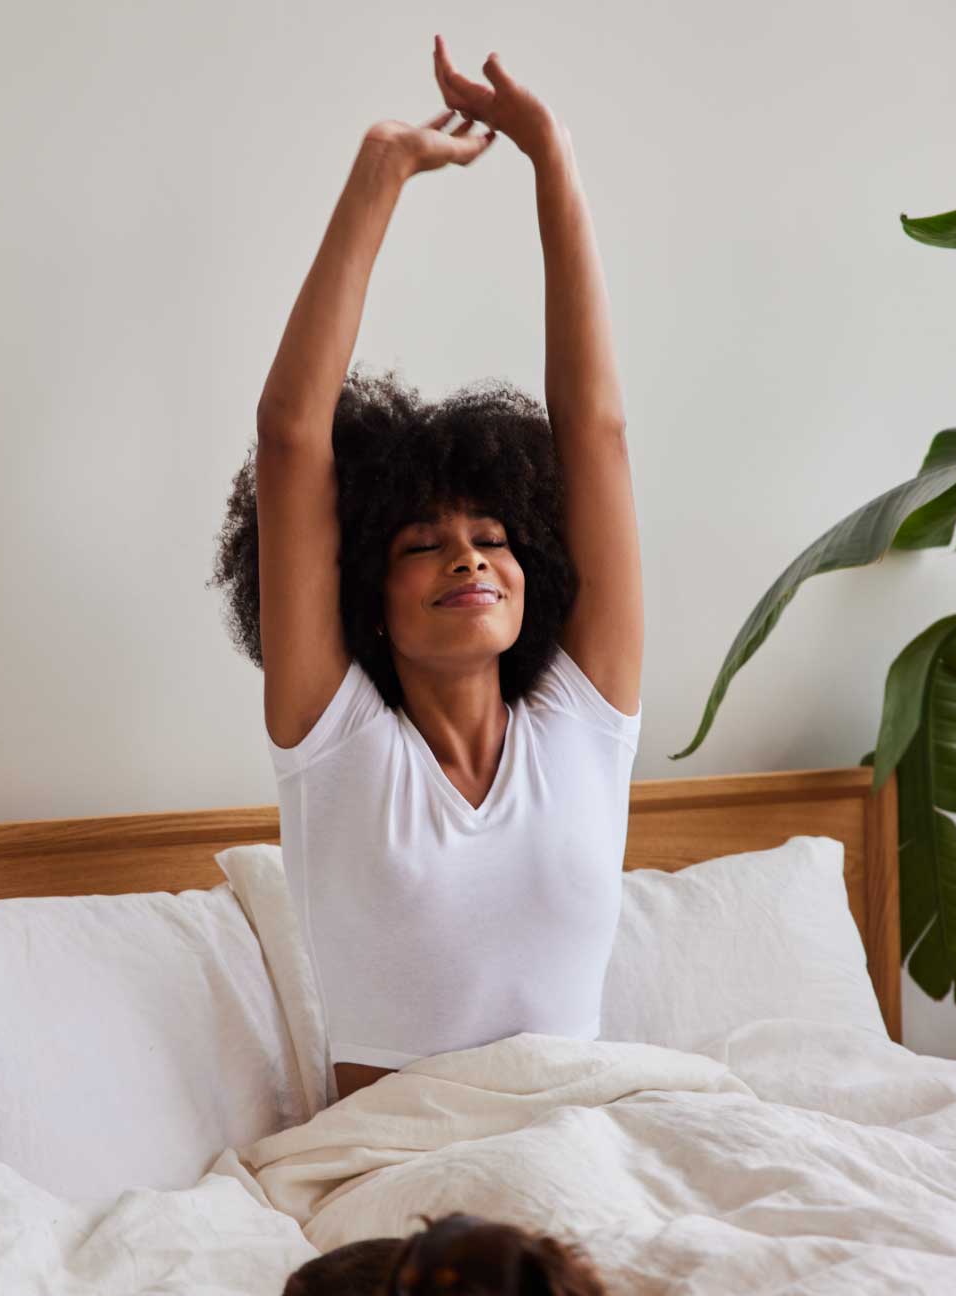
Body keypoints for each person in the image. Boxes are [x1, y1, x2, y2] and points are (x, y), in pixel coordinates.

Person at [208, 39, 644, 1104]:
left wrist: (552, 161)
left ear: (530, 563)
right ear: (366, 593)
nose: (466, 556)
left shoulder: (584, 724)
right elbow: (289, 439)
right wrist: (378, 173)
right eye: (421, 545)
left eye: (491, 538)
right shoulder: (337, 744)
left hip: (584, 1146)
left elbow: (593, 430)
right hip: (396, 1174)